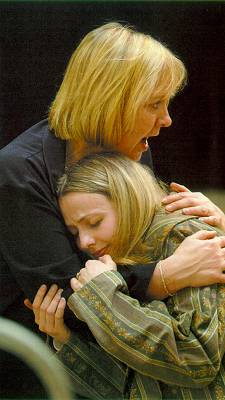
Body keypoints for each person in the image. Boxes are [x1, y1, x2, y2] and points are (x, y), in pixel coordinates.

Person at [0, 22, 225, 397]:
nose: (166, 119)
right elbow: (73, 303)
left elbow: (143, 238)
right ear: (110, 102)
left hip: (130, 359)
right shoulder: (15, 174)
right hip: (37, 366)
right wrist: (165, 275)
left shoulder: (130, 144)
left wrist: (207, 224)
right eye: (154, 104)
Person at [29, 152, 225, 400]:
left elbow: (198, 361)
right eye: (74, 232)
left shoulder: (185, 235)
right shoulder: (124, 261)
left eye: (94, 222)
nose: (84, 242)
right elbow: (135, 387)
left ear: (128, 201)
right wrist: (65, 341)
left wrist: (106, 298)